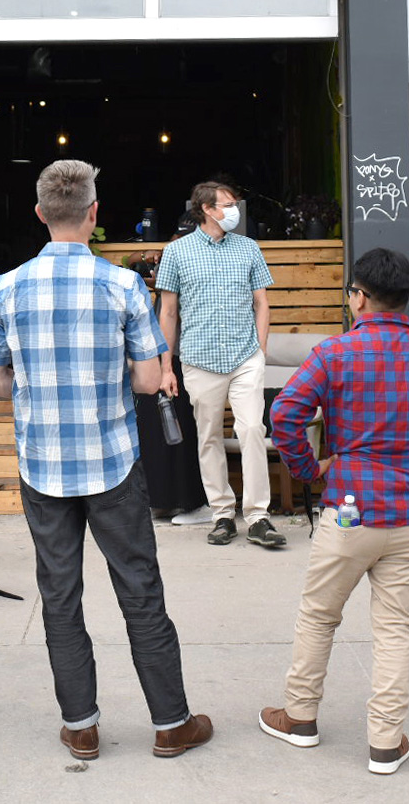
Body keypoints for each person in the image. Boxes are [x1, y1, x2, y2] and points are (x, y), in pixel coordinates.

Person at [0, 159, 212, 761]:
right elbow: (146, 378)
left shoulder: (8, 286)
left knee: (59, 597)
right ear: (94, 215)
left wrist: (34, 384)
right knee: (140, 591)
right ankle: (170, 723)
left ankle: (80, 726)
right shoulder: (123, 285)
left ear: (39, 214)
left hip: (43, 467)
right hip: (111, 464)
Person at [260, 248, 409, 775]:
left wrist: (311, 470)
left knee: (319, 615)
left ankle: (301, 717)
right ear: (406, 297)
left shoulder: (334, 353)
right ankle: (386, 741)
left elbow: (285, 414)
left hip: (350, 510)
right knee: (395, 628)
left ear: (358, 296)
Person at [155, 180, 286, 548]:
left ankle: (258, 516)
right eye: (228, 204)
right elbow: (167, 312)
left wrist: (260, 351)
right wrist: (166, 367)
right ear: (207, 209)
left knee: (251, 431)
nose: (235, 210)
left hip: (245, 357)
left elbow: (262, 303)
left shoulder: (248, 248)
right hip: (198, 360)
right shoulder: (177, 252)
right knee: (208, 437)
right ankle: (223, 514)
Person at [125, 242, 209, 520]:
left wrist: (167, 367)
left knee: (179, 431)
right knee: (157, 432)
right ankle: (159, 500)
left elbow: (173, 319)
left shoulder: (194, 276)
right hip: (159, 361)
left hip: (183, 360)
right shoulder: (162, 285)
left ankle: (191, 502)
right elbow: (130, 259)